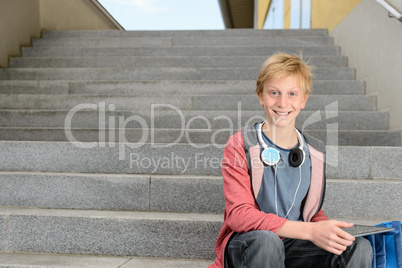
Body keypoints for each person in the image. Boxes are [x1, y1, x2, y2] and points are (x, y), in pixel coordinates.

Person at [209, 53, 373, 268]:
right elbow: (239, 215)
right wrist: (309, 231)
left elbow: (308, 210)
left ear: (304, 100)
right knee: (267, 241)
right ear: (260, 96)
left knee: (357, 247)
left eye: (292, 94)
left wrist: (326, 229)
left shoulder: (314, 151)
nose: (282, 103)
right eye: (273, 93)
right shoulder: (241, 144)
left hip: (295, 244)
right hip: (252, 243)